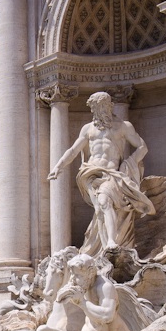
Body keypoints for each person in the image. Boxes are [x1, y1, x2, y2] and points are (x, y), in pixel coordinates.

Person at [49, 91, 154, 255]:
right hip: (90, 173)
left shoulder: (123, 126)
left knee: (105, 201)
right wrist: (59, 166)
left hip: (111, 173)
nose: (99, 111)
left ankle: (112, 242)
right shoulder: (88, 129)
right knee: (99, 209)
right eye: (96, 108)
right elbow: (73, 150)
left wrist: (129, 163)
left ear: (110, 106)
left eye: (102, 107)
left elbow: (143, 147)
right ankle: (104, 247)